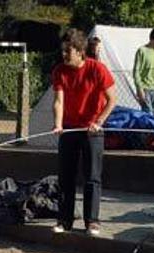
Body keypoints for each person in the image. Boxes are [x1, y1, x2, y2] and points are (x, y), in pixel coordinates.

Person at [51, 28, 117, 236]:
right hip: (69, 128)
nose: (63, 55)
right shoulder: (59, 71)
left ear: (80, 51)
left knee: (92, 177)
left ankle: (92, 221)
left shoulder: (97, 69)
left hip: (92, 131)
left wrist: (99, 121)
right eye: (62, 51)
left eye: (67, 51)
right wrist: (58, 124)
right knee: (65, 177)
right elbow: (58, 101)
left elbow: (112, 100)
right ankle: (65, 220)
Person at [134, 27, 154, 115]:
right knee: (147, 114)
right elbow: (136, 72)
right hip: (145, 88)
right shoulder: (142, 51)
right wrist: (139, 89)